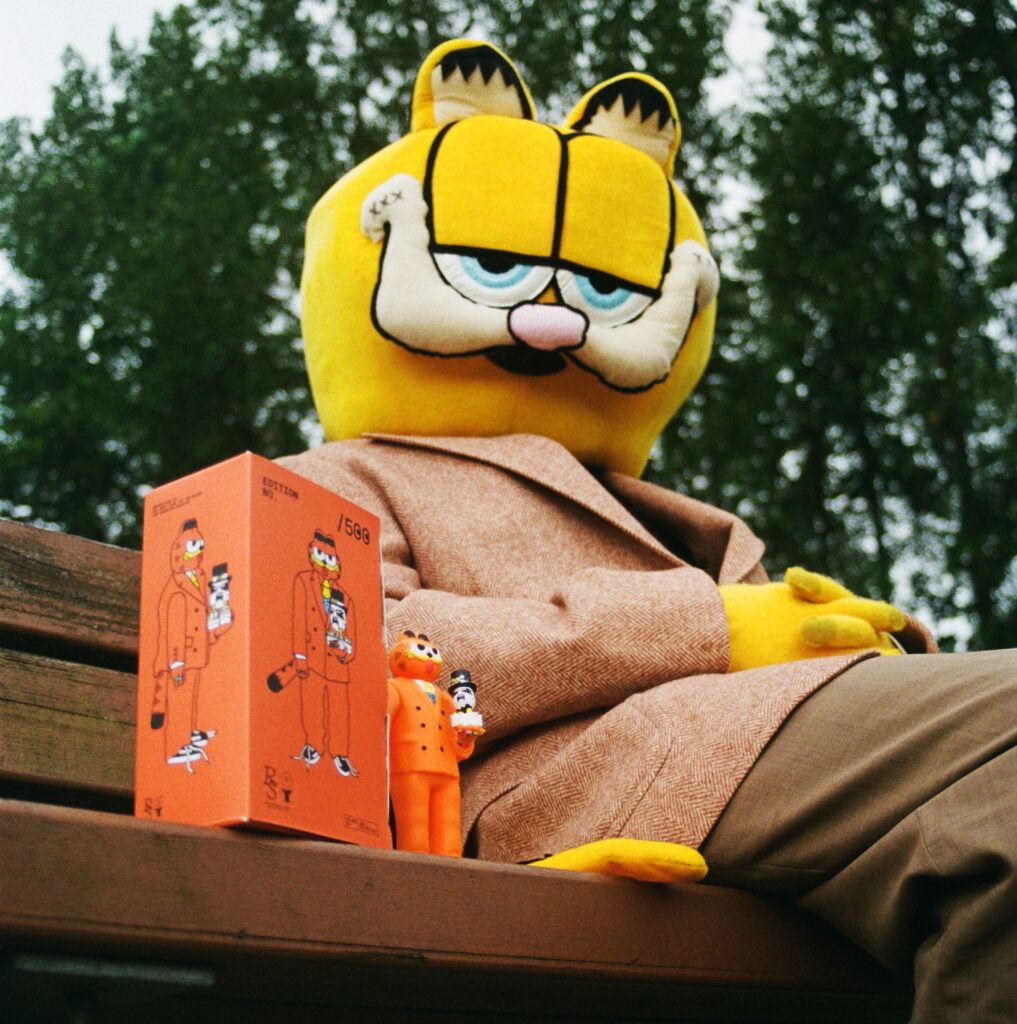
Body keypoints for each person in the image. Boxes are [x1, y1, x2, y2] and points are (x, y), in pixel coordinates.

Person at [279, 39, 1016, 1021]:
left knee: (994, 827)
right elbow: (345, 663)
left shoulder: (673, 513)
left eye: (600, 289)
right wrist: (707, 625)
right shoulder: (335, 476)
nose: (550, 319)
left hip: (727, 769)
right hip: (552, 790)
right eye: (496, 266)